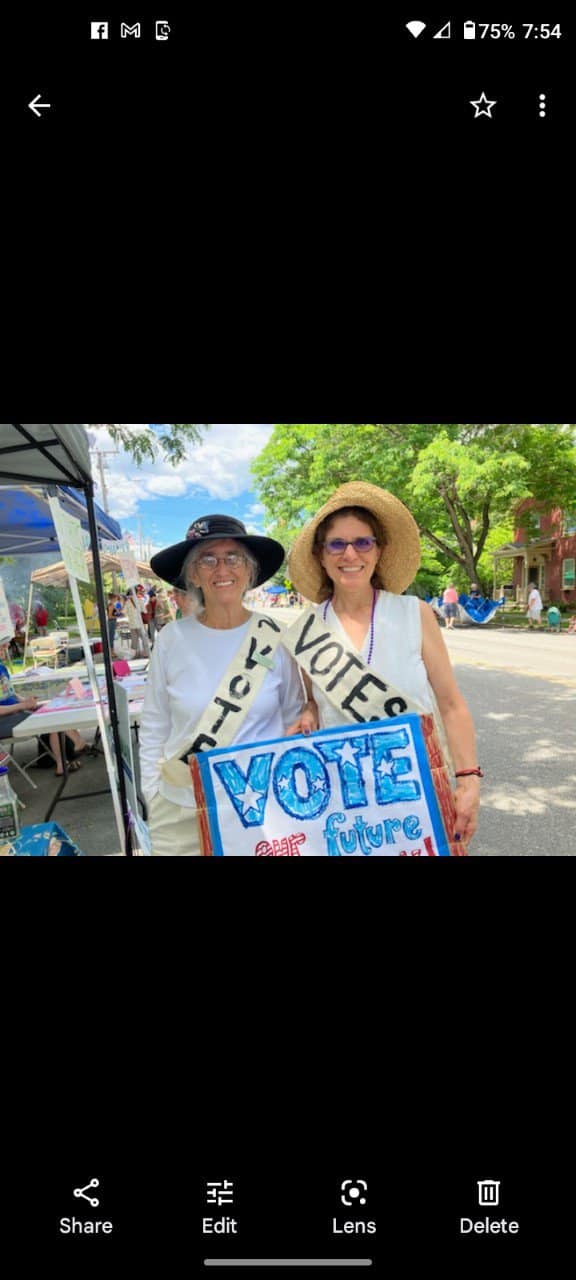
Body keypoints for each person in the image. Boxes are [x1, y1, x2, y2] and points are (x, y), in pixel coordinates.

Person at [288, 481, 481, 848]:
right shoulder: (307, 632)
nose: (350, 554)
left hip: (420, 793)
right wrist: (310, 708)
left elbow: (451, 704)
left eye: (363, 542)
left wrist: (468, 779)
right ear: (320, 554)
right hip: (345, 812)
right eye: (337, 544)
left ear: (379, 551)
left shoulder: (415, 614)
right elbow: (315, 701)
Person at [140, 515, 316, 855]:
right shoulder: (171, 639)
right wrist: (153, 793)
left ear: (249, 571)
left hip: (263, 809)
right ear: (193, 574)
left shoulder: (274, 637)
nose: (222, 569)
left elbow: (292, 718)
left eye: (233, 558)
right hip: (182, 809)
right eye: (208, 559)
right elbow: (154, 726)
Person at [1, 659, 89, 776]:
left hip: (14, 712)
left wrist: (27, 702)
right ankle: (76, 745)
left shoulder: (2, 667)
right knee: (49, 719)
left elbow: (10, 693)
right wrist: (22, 706)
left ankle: (64, 760)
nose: (5, 645)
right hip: (3, 720)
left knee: (51, 711)